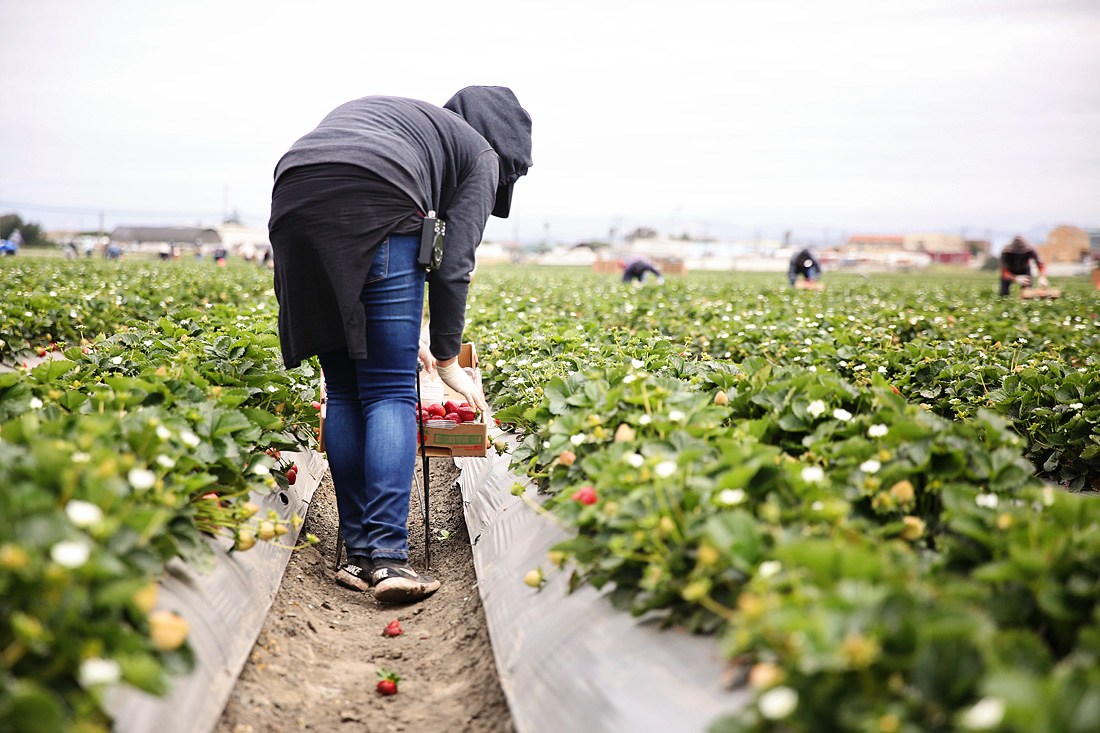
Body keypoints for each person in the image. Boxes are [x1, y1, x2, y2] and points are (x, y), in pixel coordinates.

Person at [268, 86, 532, 604]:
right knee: (390, 391)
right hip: (378, 199)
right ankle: (389, 559)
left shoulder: (410, 126)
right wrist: (448, 359)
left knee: (345, 391)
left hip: (295, 195)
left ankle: (361, 556)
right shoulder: (479, 152)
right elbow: (454, 265)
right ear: (506, 148)